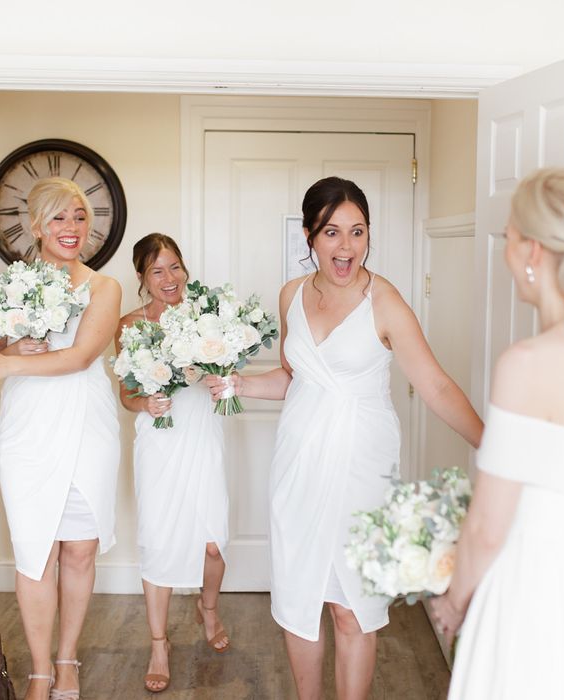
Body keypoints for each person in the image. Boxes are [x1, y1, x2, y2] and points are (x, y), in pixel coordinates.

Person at [207, 176, 483, 699]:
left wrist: (492, 444)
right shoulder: (291, 294)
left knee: (352, 607)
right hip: (299, 460)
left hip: (362, 464)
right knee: (300, 601)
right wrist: (240, 383)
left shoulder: (385, 302)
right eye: (332, 233)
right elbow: (295, 378)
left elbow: (436, 386)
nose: (347, 247)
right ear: (310, 237)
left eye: (358, 232)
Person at [430, 168, 564, 699]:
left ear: (532, 251)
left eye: (506, 238)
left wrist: (453, 602)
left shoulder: (528, 364)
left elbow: (487, 526)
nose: (505, 253)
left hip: (540, 589)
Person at [0, 177, 121, 700]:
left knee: (78, 549)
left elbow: (80, 357)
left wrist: (8, 362)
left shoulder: (105, 287)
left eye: (78, 217)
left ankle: (68, 661)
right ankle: (38, 671)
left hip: (87, 423)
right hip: (28, 427)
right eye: (58, 218)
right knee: (36, 551)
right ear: (35, 226)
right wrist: (11, 342)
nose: (71, 228)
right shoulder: (11, 282)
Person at [114, 233, 230, 694]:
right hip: (159, 444)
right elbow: (126, 394)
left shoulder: (207, 317)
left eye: (176, 267)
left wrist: (214, 375)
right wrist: (146, 405)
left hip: (202, 434)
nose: (170, 279)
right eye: (158, 271)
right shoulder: (130, 325)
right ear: (142, 278)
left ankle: (209, 609)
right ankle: (159, 643)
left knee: (212, 544)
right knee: (160, 541)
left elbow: (225, 373)